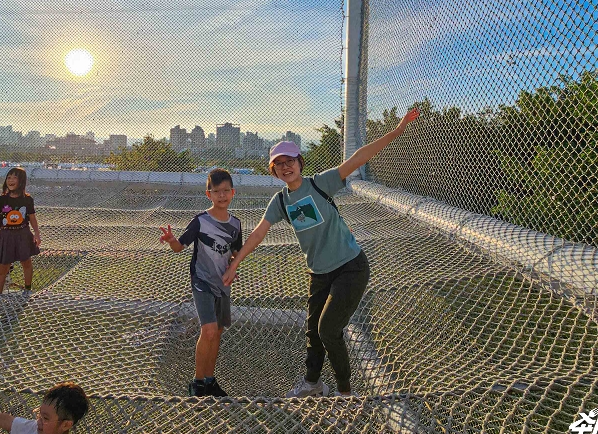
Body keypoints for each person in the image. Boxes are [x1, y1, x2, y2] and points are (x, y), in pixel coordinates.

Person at [222, 109, 419, 397]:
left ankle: (344, 392)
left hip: (350, 266)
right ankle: (313, 383)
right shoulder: (280, 201)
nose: (286, 167)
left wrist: (398, 131)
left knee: (328, 330)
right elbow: (259, 233)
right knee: (313, 331)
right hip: (318, 272)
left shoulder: (320, 183)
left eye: (290, 160)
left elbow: (359, 158)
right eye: (279, 164)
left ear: (300, 162)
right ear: (274, 171)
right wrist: (235, 262)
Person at [160, 168, 242, 397]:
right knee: (207, 331)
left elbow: (235, 253)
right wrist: (171, 239)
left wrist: (233, 267)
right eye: (217, 192)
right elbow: (179, 248)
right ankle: (196, 382)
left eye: (226, 191)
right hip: (202, 282)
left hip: (222, 285)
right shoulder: (200, 221)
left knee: (217, 332)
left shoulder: (236, 224)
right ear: (209, 194)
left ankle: (209, 380)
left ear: (233, 192)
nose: (222, 195)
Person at [0, 167, 41, 294]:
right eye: (9, 177)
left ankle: (27, 290)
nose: (11, 180)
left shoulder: (27, 199)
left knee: (26, 262)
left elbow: (32, 217)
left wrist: (37, 233)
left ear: (21, 181)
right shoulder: (2, 200)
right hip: (6, 236)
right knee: (3, 267)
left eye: (14, 177)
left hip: (23, 234)